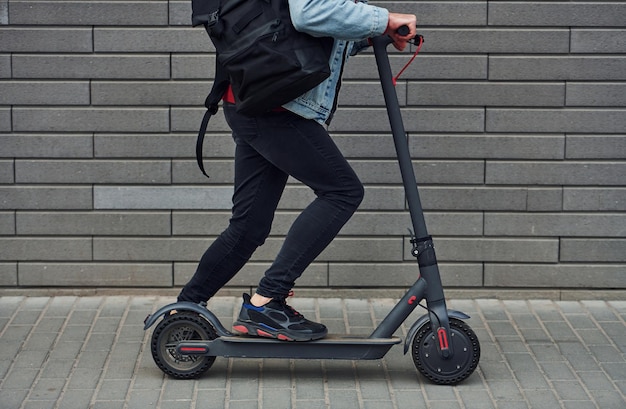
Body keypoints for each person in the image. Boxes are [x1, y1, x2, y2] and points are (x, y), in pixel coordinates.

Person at [177, 0, 418, 341]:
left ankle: (184, 312)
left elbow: (306, 38)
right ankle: (267, 301)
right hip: (275, 106)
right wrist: (383, 19)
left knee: (249, 226)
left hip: (256, 99)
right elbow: (308, 13)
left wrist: (372, 33)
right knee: (342, 192)